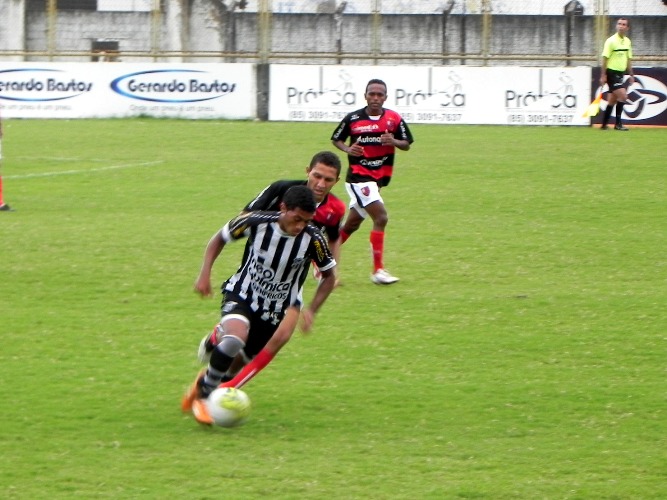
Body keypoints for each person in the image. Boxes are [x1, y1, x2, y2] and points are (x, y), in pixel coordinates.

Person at [181, 185, 337, 425]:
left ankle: (211, 362)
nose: (300, 227)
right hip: (242, 293)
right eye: (296, 219)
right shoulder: (255, 222)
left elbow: (329, 276)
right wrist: (204, 274)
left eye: (306, 221)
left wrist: (312, 310)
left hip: (275, 311)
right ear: (283, 208)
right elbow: (218, 239)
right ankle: (204, 394)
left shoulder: (313, 239)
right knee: (234, 340)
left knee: (238, 361)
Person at [195, 150, 345, 371]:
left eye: (328, 179)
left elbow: (334, 238)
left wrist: (328, 267)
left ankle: (224, 382)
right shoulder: (281, 190)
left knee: (277, 338)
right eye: (317, 175)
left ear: (336, 181)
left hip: (291, 279)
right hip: (259, 269)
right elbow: (244, 218)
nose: (321, 183)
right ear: (308, 171)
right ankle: (221, 340)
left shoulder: (335, 209)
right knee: (245, 334)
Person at [331, 78, 414, 284]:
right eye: (372, 94)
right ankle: (378, 271)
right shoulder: (353, 119)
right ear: (365, 95)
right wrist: (348, 149)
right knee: (381, 218)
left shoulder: (393, 119)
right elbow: (336, 138)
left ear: (385, 97)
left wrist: (393, 141)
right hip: (359, 178)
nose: (375, 98)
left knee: (351, 225)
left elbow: (406, 144)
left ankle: (319, 262)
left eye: (380, 95)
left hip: (378, 179)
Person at [600, 17, 635, 131]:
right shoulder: (610, 41)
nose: (621, 26)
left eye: (624, 24)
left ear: (627, 27)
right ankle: (618, 124)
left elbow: (629, 59)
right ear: (616, 26)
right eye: (619, 24)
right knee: (623, 95)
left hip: (621, 74)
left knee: (612, 100)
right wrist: (603, 75)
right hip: (611, 73)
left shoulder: (627, 42)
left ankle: (604, 125)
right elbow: (604, 59)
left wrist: (631, 74)